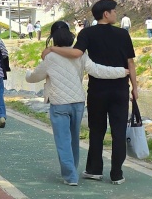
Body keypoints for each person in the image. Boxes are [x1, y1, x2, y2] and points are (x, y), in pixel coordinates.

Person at [42, 0, 138, 185]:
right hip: (120, 89)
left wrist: (51, 49)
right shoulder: (122, 34)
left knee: (97, 130)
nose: (116, 14)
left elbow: (76, 54)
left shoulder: (87, 33)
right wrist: (135, 87)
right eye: (114, 11)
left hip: (97, 90)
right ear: (106, 14)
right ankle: (117, 174)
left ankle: (95, 170)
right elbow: (131, 63)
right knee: (118, 130)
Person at [27, 21, 129, 187]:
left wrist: (27, 75)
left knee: (62, 140)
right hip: (78, 103)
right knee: (74, 138)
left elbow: (35, 77)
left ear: (52, 37)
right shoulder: (80, 55)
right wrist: (121, 72)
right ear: (70, 36)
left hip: (59, 103)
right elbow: (97, 70)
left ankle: (70, 175)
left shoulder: (50, 56)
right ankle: (72, 169)